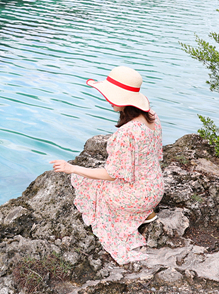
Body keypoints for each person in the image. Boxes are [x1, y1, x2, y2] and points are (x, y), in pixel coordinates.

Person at [49, 66, 164, 265]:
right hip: (155, 188)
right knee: (96, 180)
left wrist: (71, 168)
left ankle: (136, 213)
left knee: (86, 183)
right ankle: (145, 212)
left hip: (137, 196)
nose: (107, 99)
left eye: (111, 95)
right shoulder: (152, 117)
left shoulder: (126, 133)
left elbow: (111, 174)